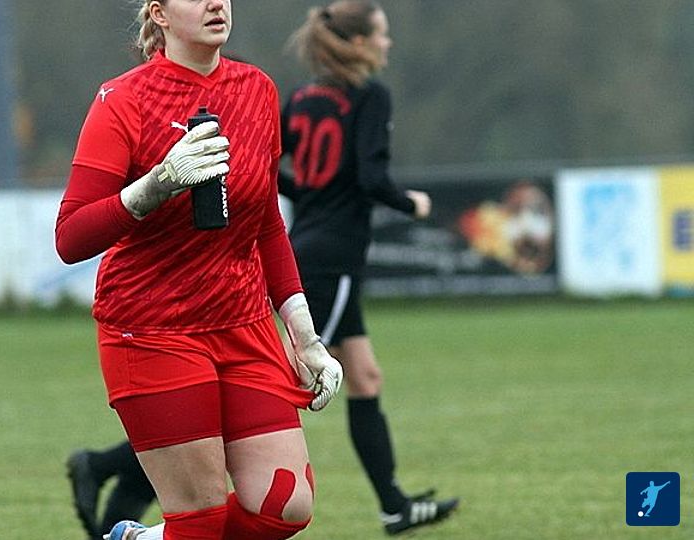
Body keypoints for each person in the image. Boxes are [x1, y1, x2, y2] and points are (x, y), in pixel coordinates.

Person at [54, 0, 343, 538]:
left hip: (244, 325)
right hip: (153, 330)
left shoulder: (257, 89)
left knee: (285, 505)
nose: (216, 3)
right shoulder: (123, 100)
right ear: (159, 14)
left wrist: (305, 338)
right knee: (200, 522)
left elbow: (266, 224)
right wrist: (155, 185)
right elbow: (70, 237)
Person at [278, 1, 459, 535]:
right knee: (275, 382)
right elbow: (371, 178)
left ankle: (393, 506)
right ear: (358, 43)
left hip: (309, 248)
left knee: (364, 375)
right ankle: (119, 469)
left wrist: (307, 194)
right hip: (332, 260)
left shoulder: (302, 98)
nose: (388, 43)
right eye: (381, 33)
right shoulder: (370, 97)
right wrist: (412, 204)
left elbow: (264, 164)